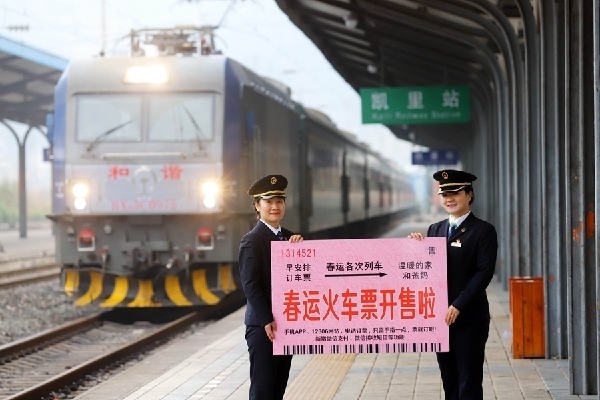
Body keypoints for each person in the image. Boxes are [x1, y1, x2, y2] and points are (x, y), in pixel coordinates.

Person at [408, 169, 498, 400]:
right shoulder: (435, 229)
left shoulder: (483, 231)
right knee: (449, 380)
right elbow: (427, 270)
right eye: (445, 194)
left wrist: (458, 305)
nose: (449, 199)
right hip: (441, 319)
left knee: (468, 382)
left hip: (469, 318)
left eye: (455, 193)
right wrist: (415, 247)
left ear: (469, 195)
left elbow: (484, 273)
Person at [238, 174, 303, 400]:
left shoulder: (291, 238)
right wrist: (266, 319)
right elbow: (250, 285)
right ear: (257, 206)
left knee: (278, 388)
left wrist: (301, 251)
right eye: (268, 202)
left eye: (279, 201)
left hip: (285, 324)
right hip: (263, 326)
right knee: (262, 390)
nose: (275, 206)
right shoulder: (251, 241)